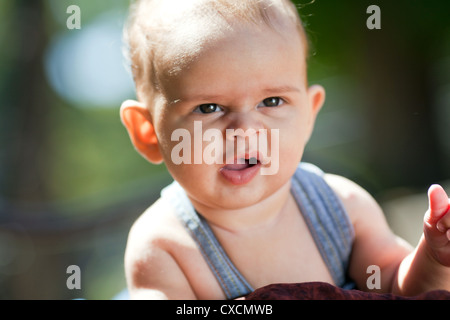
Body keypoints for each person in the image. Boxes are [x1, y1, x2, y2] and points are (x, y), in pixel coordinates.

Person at [119, 0, 450, 299]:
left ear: (309, 114)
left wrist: (434, 258)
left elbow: (400, 289)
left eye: (272, 101)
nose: (245, 130)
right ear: (148, 132)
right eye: (208, 107)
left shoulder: (342, 208)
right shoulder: (165, 246)